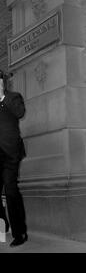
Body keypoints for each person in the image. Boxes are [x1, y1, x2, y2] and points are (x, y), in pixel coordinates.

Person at [0, 70, 27, 247]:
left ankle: (20, 233)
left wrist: (2, 97)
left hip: (10, 153)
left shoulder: (13, 97)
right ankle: (4, 225)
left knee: (10, 191)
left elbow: (20, 113)